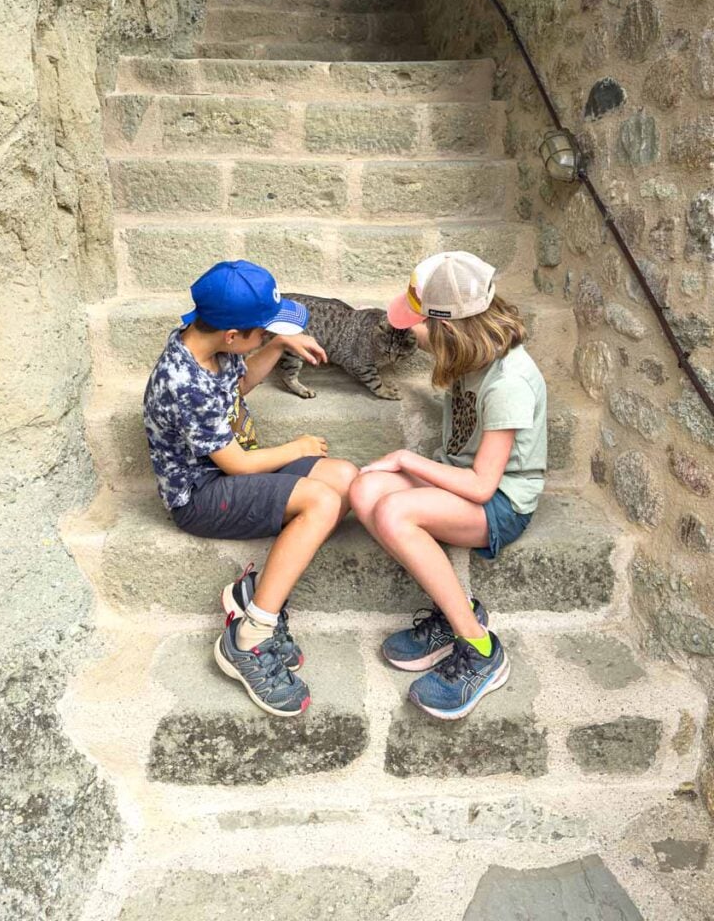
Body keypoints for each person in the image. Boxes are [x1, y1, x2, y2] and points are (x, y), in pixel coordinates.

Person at [143, 260, 358, 718]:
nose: (266, 336)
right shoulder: (183, 381)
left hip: (229, 473)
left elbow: (237, 386)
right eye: (262, 332)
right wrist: (297, 447)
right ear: (232, 336)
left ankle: (252, 593)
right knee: (321, 500)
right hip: (202, 495)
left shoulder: (212, 345)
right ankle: (248, 638)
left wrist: (277, 343)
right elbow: (238, 465)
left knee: (344, 478)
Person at [349, 251, 547, 720]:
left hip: (501, 503)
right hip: (460, 480)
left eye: (417, 323)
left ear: (447, 329)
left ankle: (480, 650)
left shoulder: (509, 382)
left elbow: (481, 486)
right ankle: (457, 609)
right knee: (364, 490)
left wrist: (406, 459)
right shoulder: (469, 355)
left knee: (394, 511)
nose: (409, 332)